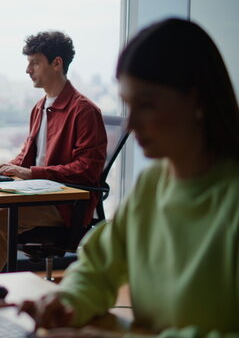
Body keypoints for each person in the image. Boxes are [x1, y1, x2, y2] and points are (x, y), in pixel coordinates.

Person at [20, 18, 239, 337]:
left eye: (147, 105)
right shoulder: (152, 185)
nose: (132, 125)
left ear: (198, 101)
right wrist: (67, 300)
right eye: (129, 105)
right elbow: (98, 268)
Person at [0, 31, 107, 272]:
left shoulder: (84, 111)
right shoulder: (40, 107)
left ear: (57, 63)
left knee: (0, 219)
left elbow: (87, 170)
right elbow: (26, 157)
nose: (28, 70)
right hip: (36, 193)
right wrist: (5, 169)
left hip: (65, 203)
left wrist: (31, 173)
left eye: (35, 62)